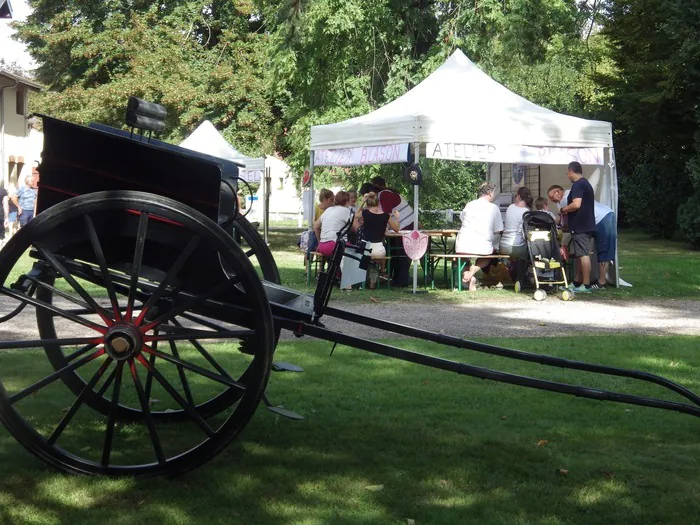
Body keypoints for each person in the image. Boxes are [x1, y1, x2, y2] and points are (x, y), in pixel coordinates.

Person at [547, 184, 616, 289]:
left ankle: (601, 283)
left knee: (602, 251)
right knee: (582, 252)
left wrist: (559, 222)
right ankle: (578, 281)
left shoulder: (565, 198)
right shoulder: (568, 196)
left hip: (602, 218)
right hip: (594, 220)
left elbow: (565, 222)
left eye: (552, 197)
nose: (552, 200)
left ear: (558, 191)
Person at [455, 181, 504, 291]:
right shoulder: (494, 208)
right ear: (490, 193)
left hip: (464, 243)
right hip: (483, 245)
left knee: (459, 259)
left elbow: (462, 219)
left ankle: (468, 275)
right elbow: (499, 230)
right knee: (487, 257)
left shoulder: (470, 204)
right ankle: (472, 271)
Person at [556, 161, 595, 293]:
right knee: (580, 254)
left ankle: (586, 285)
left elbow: (576, 204)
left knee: (583, 255)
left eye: (568, 172)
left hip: (581, 225)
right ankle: (577, 283)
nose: (568, 175)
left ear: (571, 171)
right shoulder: (585, 183)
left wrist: (563, 209)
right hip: (584, 224)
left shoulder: (578, 185)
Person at [369, 176, 415, 287]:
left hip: (405, 225)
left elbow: (386, 214)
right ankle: (396, 278)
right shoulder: (386, 193)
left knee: (401, 253)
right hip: (404, 224)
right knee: (395, 252)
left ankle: (401, 280)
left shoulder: (384, 194)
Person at [353, 191, 400, 289]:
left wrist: (362, 202)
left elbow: (356, 215)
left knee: (365, 258)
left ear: (367, 203)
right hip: (379, 250)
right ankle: (372, 284)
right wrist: (397, 218)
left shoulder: (365, 213)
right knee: (375, 262)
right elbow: (396, 229)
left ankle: (362, 283)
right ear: (379, 203)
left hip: (366, 248)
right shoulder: (386, 215)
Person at [314, 191, 354, 290]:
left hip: (323, 246)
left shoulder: (328, 210)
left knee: (338, 254)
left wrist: (320, 241)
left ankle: (336, 277)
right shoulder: (347, 211)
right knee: (352, 250)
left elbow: (316, 226)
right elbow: (355, 229)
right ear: (347, 201)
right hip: (335, 245)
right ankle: (347, 283)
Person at [499, 186, 532, 285]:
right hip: (516, 246)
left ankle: (512, 274)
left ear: (518, 196)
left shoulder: (510, 207)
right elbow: (525, 232)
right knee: (529, 253)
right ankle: (520, 280)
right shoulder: (526, 212)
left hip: (503, 245)